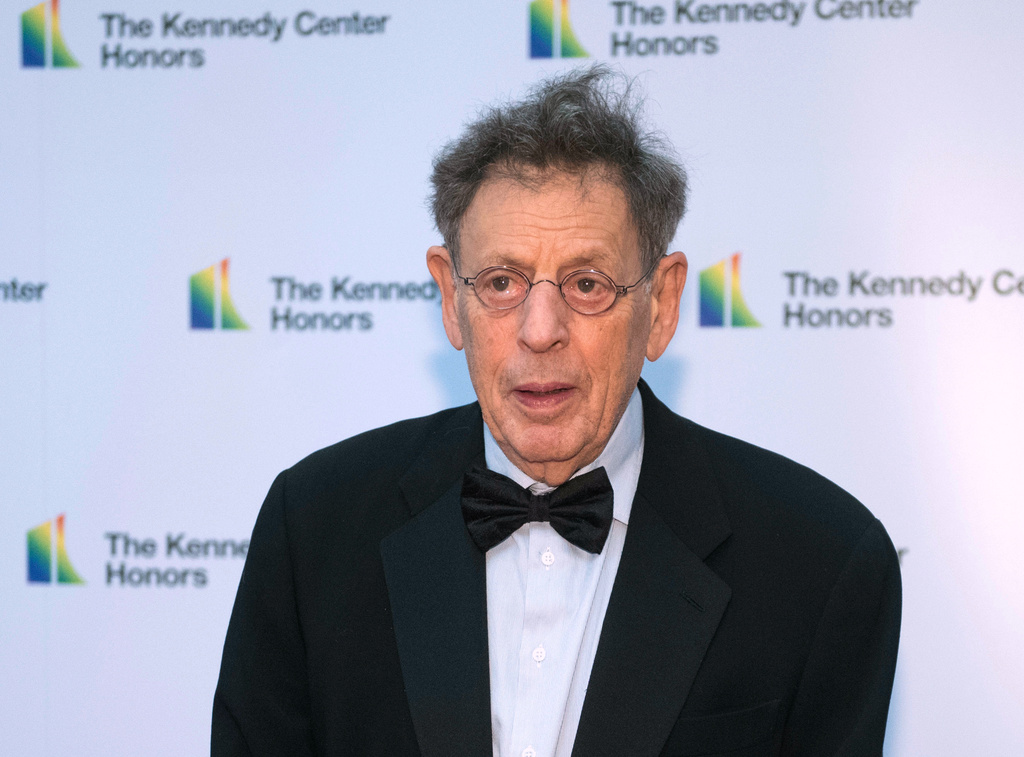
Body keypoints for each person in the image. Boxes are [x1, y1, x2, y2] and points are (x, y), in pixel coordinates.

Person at [212, 66, 901, 757]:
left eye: (587, 283)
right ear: (452, 299)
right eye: (503, 282)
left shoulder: (822, 564)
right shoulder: (313, 531)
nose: (541, 329)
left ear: (660, 306)